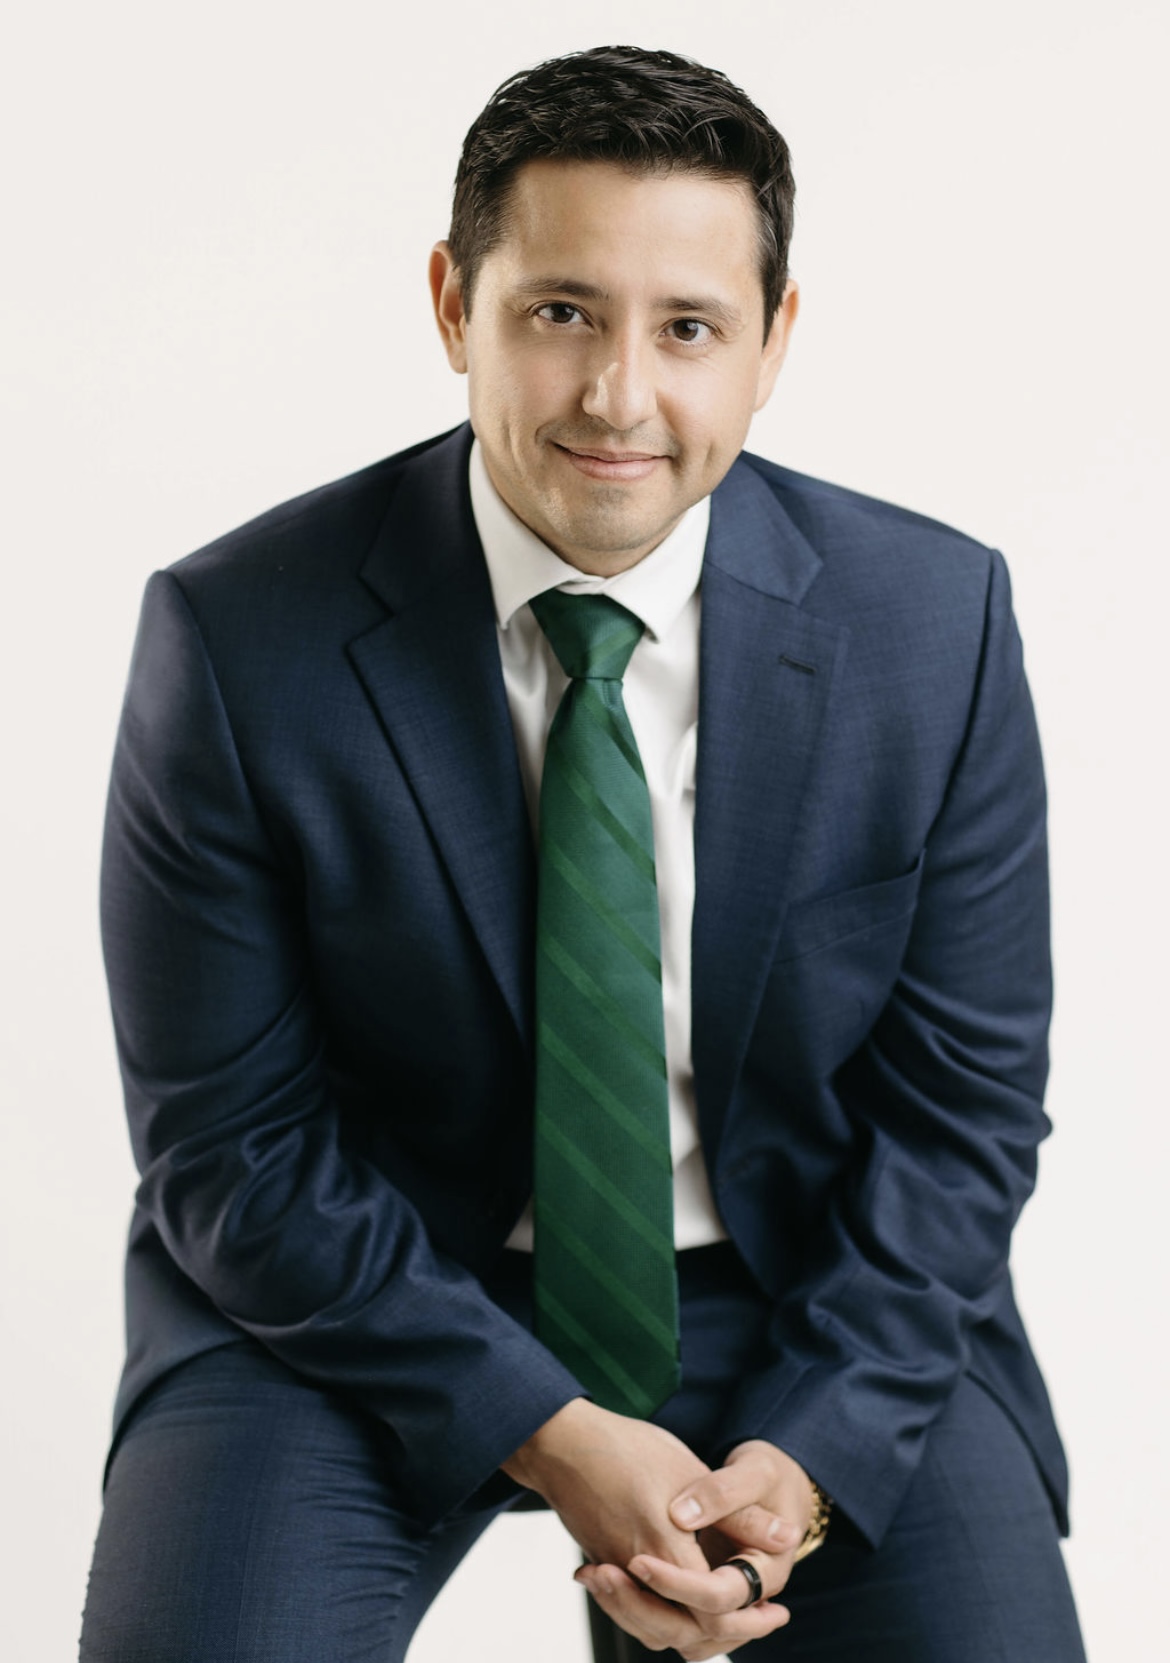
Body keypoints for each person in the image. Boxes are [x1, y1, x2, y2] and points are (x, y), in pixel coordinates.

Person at [80, 44, 1086, 1663]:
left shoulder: (930, 623)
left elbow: (961, 1113)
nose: (618, 395)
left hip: (804, 1294)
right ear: (452, 305)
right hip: (356, 1291)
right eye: (560, 311)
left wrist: (803, 1461)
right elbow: (229, 1149)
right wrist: (549, 1431)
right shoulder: (237, 637)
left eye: (686, 327)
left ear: (772, 341)